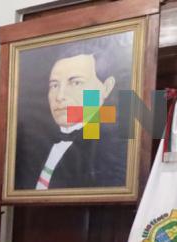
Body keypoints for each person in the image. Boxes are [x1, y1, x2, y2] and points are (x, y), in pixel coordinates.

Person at [14, 46, 128, 191]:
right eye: (54, 85)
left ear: (106, 87)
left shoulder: (115, 148)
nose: (60, 96)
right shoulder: (31, 145)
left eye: (76, 83)